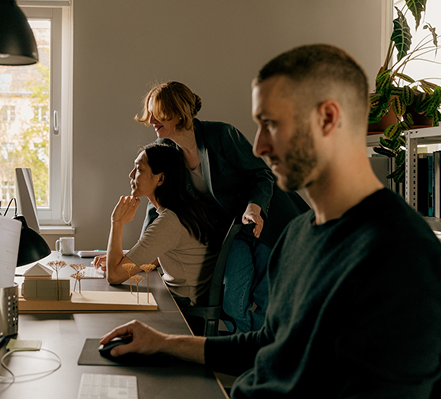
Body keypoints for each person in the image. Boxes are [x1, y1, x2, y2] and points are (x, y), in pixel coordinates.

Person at [98, 44, 441, 398]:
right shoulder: (297, 236)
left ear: (327, 118)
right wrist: (163, 343)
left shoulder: (402, 253)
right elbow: (269, 344)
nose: (259, 146)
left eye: (270, 125)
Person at [134, 81, 309, 332]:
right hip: (235, 232)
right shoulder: (168, 151)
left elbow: (262, 175)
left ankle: (260, 359)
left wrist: (254, 206)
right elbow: (160, 201)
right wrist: (141, 253)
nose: (150, 120)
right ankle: (245, 351)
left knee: (266, 297)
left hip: (268, 222)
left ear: (178, 112)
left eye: (156, 113)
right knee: (232, 302)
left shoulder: (221, 135)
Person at [96, 142, 218, 307]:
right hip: (181, 298)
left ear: (160, 179)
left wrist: (116, 222)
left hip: (184, 308)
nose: (131, 175)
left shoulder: (170, 221)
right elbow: (158, 255)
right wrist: (124, 258)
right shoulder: (183, 210)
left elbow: (114, 276)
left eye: (139, 169)